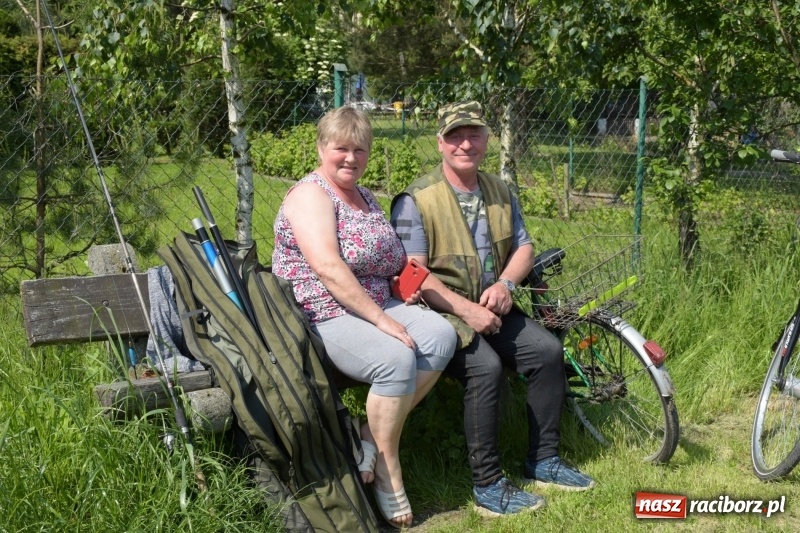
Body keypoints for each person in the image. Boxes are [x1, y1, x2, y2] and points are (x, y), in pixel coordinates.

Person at [390, 101, 596, 518]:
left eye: (474, 134)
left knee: (547, 352)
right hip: (441, 314)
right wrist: (467, 312)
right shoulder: (417, 199)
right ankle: (488, 486)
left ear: (487, 139)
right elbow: (414, 276)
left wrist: (505, 284)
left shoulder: (500, 190)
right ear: (440, 143)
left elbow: (523, 247)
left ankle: (544, 460)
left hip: (494, 303)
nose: (466, 143)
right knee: (484, 368)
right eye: (455, 136)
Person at [272, 106, 457, 529]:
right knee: (395, 360)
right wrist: (382, 321)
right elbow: (329, 268)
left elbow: (383, 259)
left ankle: (370, 438)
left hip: (376, 303)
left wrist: (398, 288)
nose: (351, 158)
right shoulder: (310, 195)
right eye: (341, 149)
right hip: (321, 312)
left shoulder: (364, 195)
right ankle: (389, 471)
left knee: (441, 337)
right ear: (321, 148)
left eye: (360, 149)